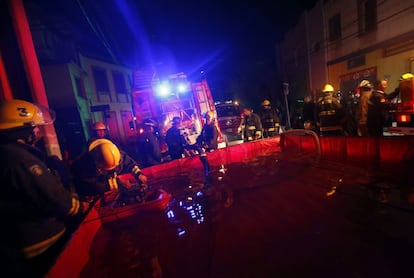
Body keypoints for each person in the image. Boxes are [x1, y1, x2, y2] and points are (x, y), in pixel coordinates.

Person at [0, 99, 85, 276]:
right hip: (41, 244)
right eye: (34, 127)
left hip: (18, 245)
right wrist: (79, 208)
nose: (37, 131)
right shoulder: (20, 158)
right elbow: (53, 197)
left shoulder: (8, 154)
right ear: (21, 129)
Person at [71, 138, 148, 198]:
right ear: (97, 164)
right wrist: (117, 183)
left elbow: (128, 163)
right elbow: (93, 186)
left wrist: (138, 174)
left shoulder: (113, 153)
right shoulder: (84, 166)